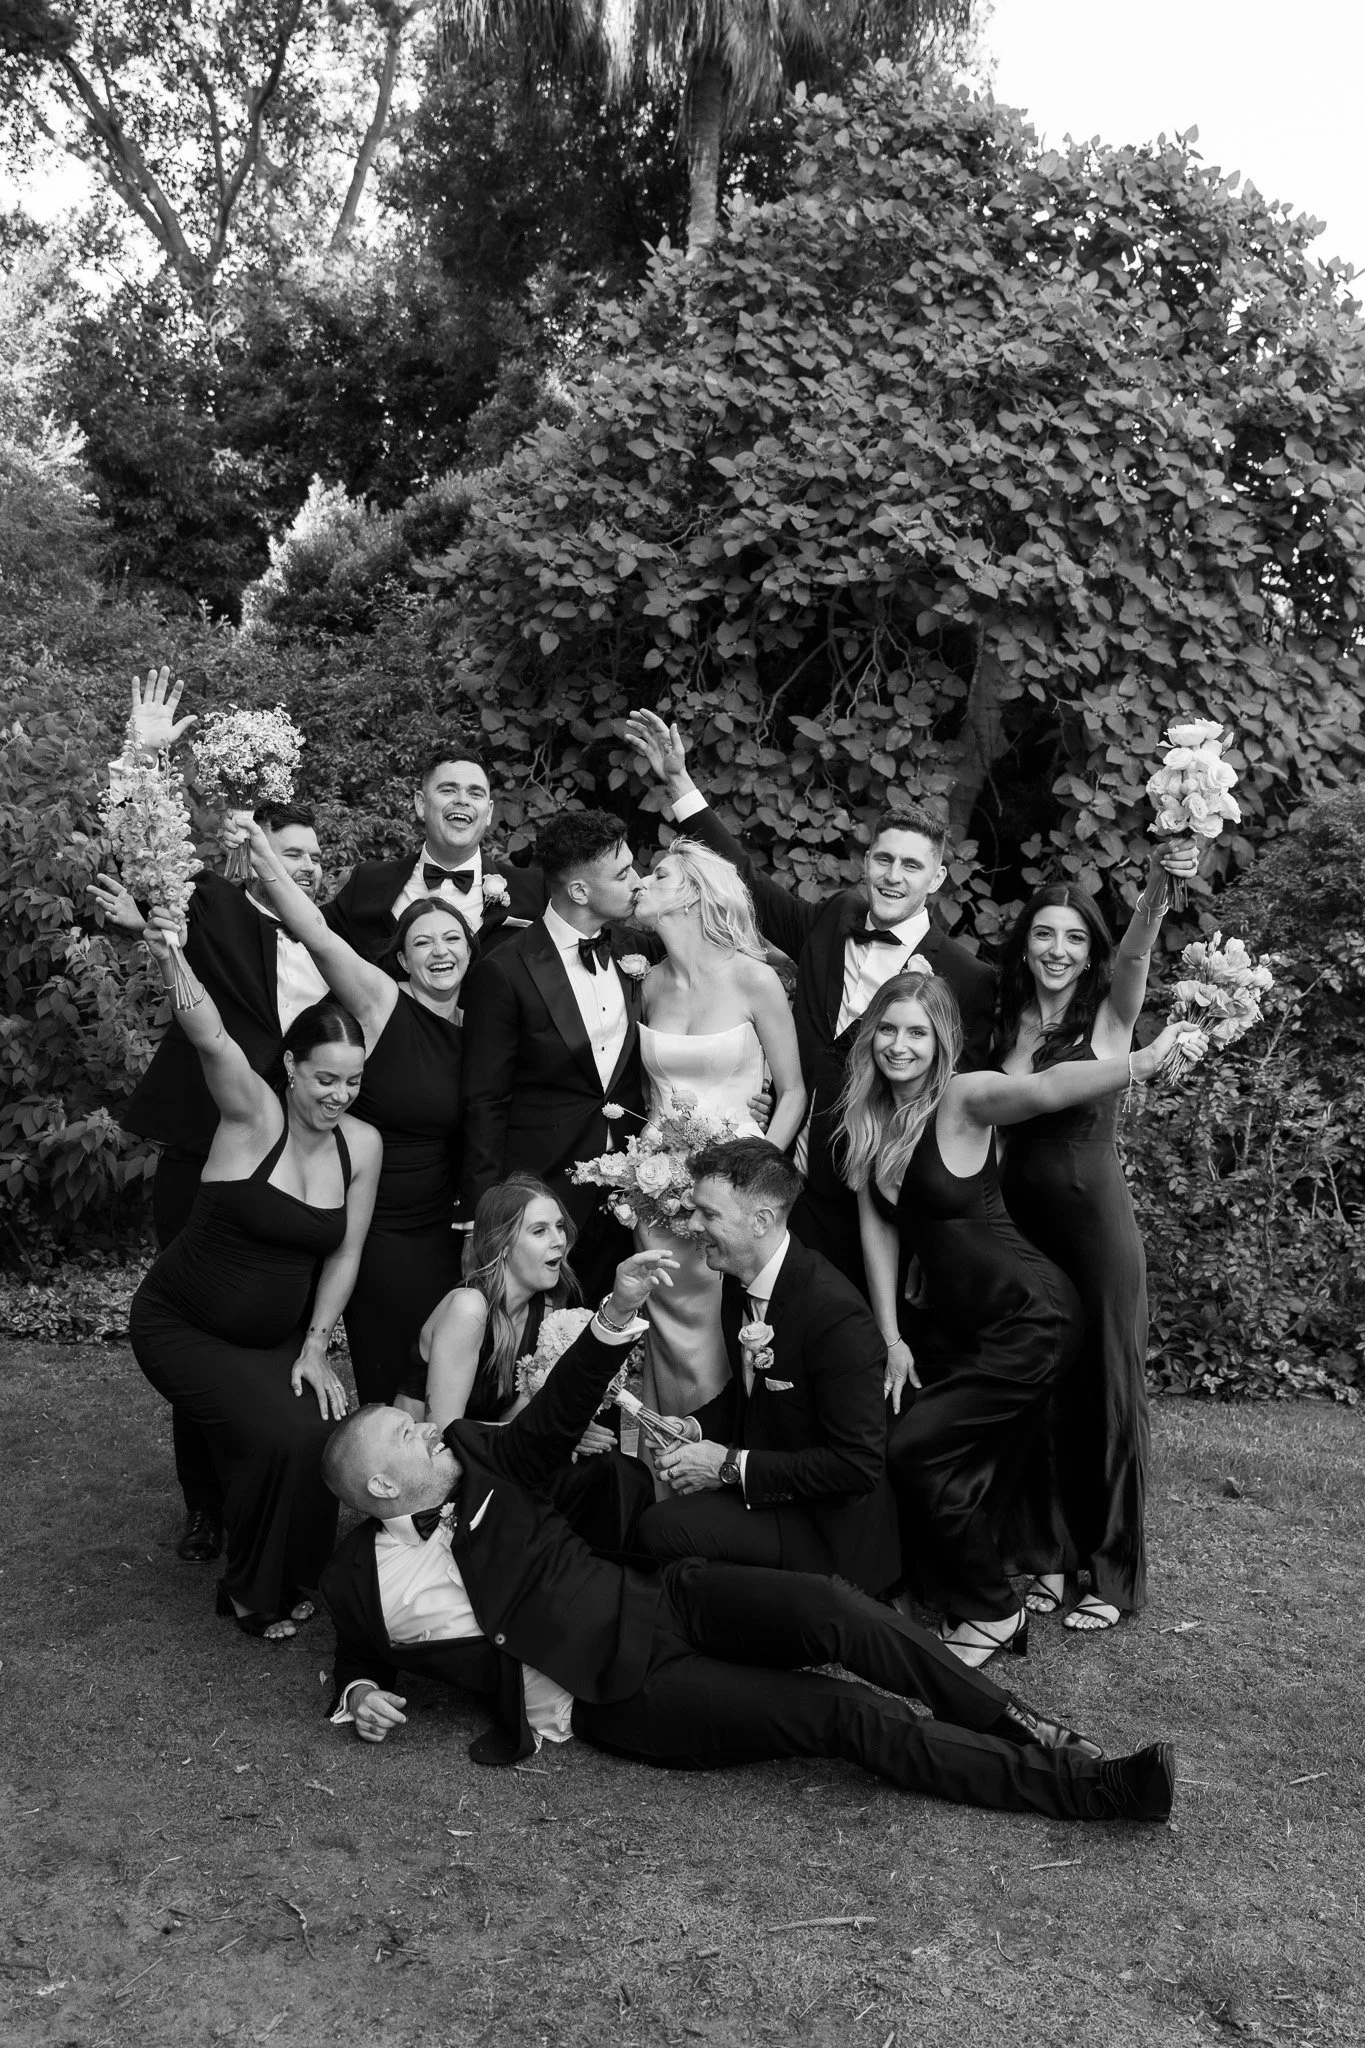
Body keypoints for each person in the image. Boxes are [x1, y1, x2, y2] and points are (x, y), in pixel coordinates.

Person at [318, 1246, 1177, 1827]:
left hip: (667, 1599)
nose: (429, 1428)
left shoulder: (478, 1453)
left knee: (838, 1613)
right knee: (845, 1713)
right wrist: (358, 1694)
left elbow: (550, 1422)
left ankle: (1029, 1728)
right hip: (625, 1693)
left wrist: (616, 1314)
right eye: (406, 1436)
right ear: (383, 1486)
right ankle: (1091, 1790)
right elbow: (360, 1647)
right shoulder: (364, 1576)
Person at [838, 973, 1206, 1667]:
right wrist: (890, 1338)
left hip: (1033, 1316)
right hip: (969, 1330)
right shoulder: (867, 1118)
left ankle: (992, 1613)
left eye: (916, 1031)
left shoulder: (962, 1098)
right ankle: (963, 1595)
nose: (898, 1044)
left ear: (942, 1039)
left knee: (915, 1451)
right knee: (934, 1457)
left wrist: (1142, 1061)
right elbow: (879, 1236)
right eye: (887, 1029)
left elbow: (1044, 1089)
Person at [624, 708, 993, 1291]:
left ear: (938, 878)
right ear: (867, 861)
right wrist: (680, 784)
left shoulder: (967, 978)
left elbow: (962, 1102)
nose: (894, 876)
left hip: (883, 1186)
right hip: (792, 1171)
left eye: (912, 866)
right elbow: (745, 877)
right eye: (884, 859)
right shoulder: (831, 920)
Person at [95, 668, 331, 1562]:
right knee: (194, 1327)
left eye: (313, 857)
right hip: (205, 1154)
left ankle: (264, 1483)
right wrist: (145, 753)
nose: (303, 866)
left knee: (270, 1328)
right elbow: (149, 848)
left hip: (296, 1168)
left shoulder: (334, 937)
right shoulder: (215, 910)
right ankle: (203, 1498)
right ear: (250, 848)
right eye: (289, 850)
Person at [129, 914, 381, 1641]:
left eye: (354, 1081)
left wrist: (314, 1345)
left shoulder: (361, 1146)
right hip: (182, 1326)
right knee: (279, 1435)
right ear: (292, 1067)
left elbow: (345, 1253)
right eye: (326, 1078)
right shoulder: (251, 1118)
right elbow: (209, 1033)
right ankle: (250, 1594)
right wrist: (171, 949)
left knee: (315, 1430)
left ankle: (294, 1576)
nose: (339, 1095)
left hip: (274, 1341)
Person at [993, 846, 1198, 1633]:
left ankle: (1110, 1577)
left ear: (1091, 950)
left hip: (1095, 1234)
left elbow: (1140, 946)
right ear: (1023, 944)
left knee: (1106, 1395)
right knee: (1036, 1391)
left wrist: (1155, 886)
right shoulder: (1001, 1019)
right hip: (1016, 1231)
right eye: (1043, 935)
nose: (1056, 950)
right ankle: (1043, 1555)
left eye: (1074, 938)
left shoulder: (1110, 1018)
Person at [226, 812, 470, 1408]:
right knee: (394, 1376)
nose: (439, 953)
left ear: (473, 948)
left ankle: (444, 1493)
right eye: (422, 943)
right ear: (404, 961)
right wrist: (263, 856)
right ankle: (385, 1490)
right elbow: (318, 932)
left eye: (452, 939)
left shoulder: (487, 1022)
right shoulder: (383, 1002)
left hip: (456, 1230)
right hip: (383, 1225)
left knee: (455, 1377)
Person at [636, 1140, 900, 1596]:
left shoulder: (835, 1314)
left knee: (663, 1530)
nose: (692, 1224)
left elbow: (855, 1467)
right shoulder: (738, 1282)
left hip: (825, 1528)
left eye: (709, 1215)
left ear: (760, 1221)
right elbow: (751, 1397)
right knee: (655, 1523)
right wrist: (693, 1427)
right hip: (775, 1495)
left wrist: (728, 1466)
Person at [627, 841, 805, 1476]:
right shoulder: (647, 985)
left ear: (696, 893)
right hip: (655, 1192)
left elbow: (791, 1093)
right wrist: (644, 1173)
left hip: (735, 1198)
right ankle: (661, 1486)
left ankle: (723, 1473)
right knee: (665, 1341)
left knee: (723, 1340)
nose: (640, 882)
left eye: (658, 874)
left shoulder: (753, 978)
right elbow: (652, 1097)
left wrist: (756, 1178)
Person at [397, 1174, 654, 1554]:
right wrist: (551, 1432)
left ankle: (618, 1579)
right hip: (435, 1473)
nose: (559, 1240)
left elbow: (520, 1408)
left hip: (495, 1451)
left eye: (559, 1227)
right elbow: (445, 1433)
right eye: (539, 1231)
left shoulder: (546, 1305)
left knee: (621, 1473)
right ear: (501, 1246)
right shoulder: (469, 1309)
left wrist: (557, 1427)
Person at [459, 811, 652, 1301]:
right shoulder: (503, 970)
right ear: (580, 892)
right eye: (623, 873)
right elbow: (484, 1100)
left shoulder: (637, 948)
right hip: (543, 1194)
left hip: (633, 1188)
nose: (638, 881)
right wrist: (484, 1217)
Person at [321, 742, 544, 964]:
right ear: (421, 804)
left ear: (489, 813)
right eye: (448, 790)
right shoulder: (367, 883)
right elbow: (312, 936)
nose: (462, 800)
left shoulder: (534, 891)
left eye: (475, 793)